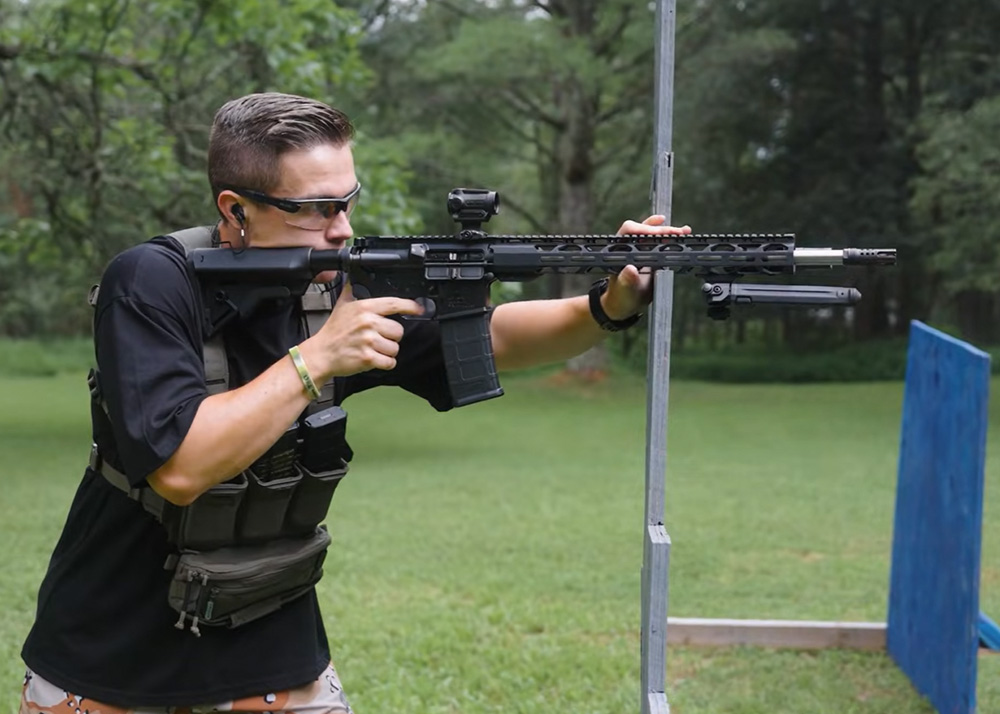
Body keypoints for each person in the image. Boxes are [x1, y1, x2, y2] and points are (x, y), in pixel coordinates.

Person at [19, 92, 690, 714]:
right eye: (314, 208)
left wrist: (610, 302)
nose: (340, 228)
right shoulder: (151, 281)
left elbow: (491, 336)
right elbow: (182, 466)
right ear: (234, 210)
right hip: (110, 657)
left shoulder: (337, 285)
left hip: (273, 642)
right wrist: (317, 360)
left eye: (347, 202)